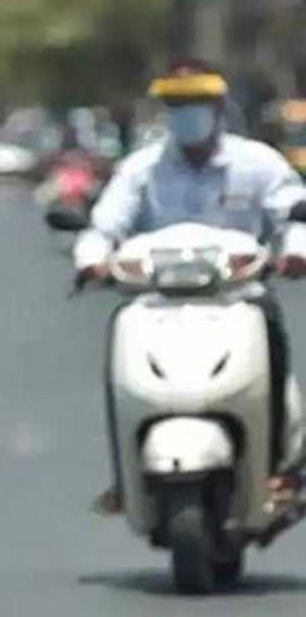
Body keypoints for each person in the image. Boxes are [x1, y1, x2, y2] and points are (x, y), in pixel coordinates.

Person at [74, 60, 306, 514]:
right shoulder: (142, 169)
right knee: (117, 353)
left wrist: (296, 252)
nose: (187, 113)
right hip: (156, 302)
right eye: (176, 104)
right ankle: (125, 477)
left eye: (196, 102)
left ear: (218, 106)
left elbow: (293, 212)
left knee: (272, 340)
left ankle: (279, 469)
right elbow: (105, 225)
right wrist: (91, 262)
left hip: (239, 296)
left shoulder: (257, 163)